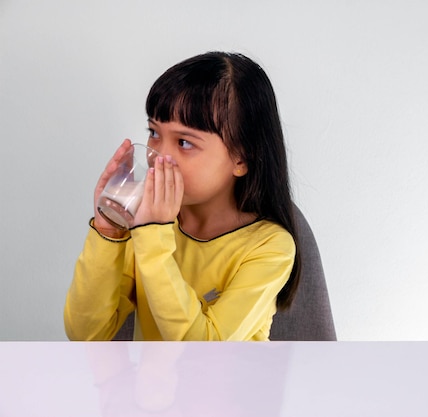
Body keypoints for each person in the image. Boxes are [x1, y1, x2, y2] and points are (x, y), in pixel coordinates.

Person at [64, 51, 301, 341]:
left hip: (234, 388)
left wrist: (152, 235)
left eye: (185, 142)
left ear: (241, 158)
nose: (158, 156)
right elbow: (86, 334)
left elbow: (202, 349)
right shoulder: (147, 220)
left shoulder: (269, 246)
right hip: (150, 388)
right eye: (153, 132)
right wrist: (108, 231)